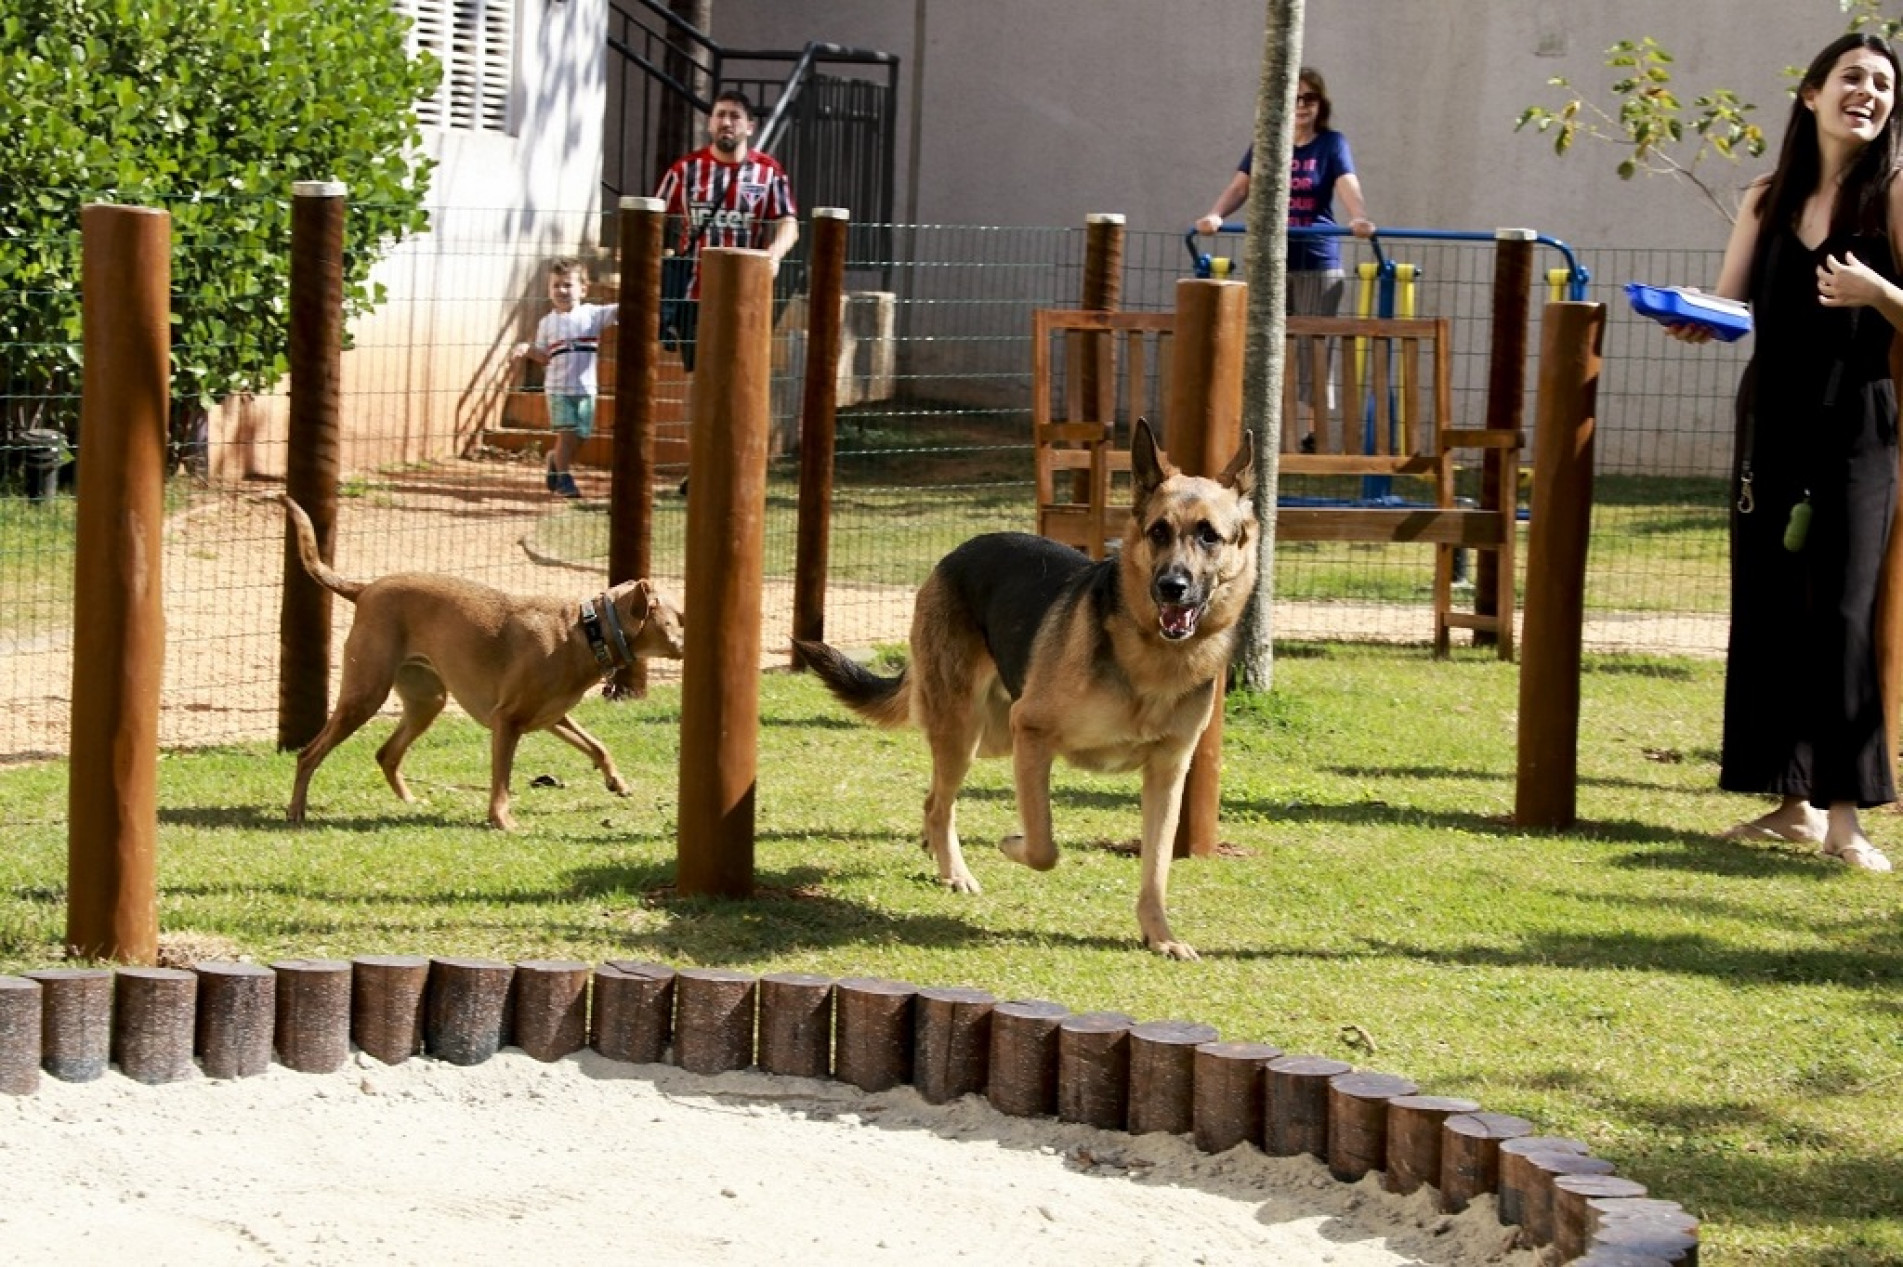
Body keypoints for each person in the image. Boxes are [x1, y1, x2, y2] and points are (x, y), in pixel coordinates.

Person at [1666, 32, 1903, 873]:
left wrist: (1878, 293)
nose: (1867, 92)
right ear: (1809, 94)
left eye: (1881, 83)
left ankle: (1846, 821)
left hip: (1856, 429)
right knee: (1769, 607)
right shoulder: (1765, 197)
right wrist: (1694, 317)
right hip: (1769, 423)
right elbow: (1732, 305)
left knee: (1840, 613)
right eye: (1851, 77)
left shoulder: (1894, 197)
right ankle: (1790, 804)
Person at [1195, 67, 1375, 410]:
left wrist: (1359, 217)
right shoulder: (1267, 142)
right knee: (1266, 342)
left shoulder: (1331, 144)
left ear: (1321, 104)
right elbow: (1240, 186)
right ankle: (1266, 424)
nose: (1302, 106)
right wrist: (1216, 215)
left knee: (1313, 345)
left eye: (1309, 98)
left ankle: (1310, 434)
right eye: (1294, 99)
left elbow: (1347, 183)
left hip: (1316, 260)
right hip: (1272, 259)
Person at [654, 88, 799, 377]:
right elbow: (654, 219)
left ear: (750, 127)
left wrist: (774, 255)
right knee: (702, 375)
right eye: (720, 115)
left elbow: (789, 223)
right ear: (709, 123)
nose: (726, 122)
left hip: (746, 290)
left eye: (735, 116)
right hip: (694, 293)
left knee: (739, 375)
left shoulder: (768, 172)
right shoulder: (685, 171)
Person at [511, 258, 617, 500]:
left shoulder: (592, 315)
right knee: (567, 433)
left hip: (587, 388)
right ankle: (564, 478)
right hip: (558, 388)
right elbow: (545, 355)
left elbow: (620, 309)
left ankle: (553, 460)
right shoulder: (547, 323)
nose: (561, 291)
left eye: (567, 285)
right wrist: (527, 349)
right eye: (556, 285)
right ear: (549, 290)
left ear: (583, 289)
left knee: (581, 436)